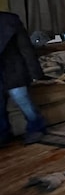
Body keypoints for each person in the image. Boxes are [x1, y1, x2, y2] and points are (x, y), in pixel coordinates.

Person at [0, 11, 47, 145]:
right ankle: (3, 134)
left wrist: (35, 73)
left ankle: (36, 128)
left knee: (23, 101)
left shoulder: (10, 20)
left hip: (13, 69)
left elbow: (26, 48)